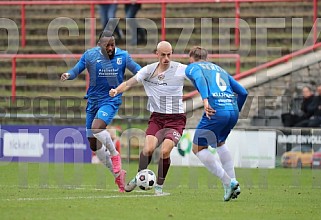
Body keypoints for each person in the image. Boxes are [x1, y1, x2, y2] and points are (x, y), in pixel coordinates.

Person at [60, 30, 141, 192]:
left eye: (112, 45)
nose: (110, 48)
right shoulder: (90, 55)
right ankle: (118, 176)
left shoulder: (123, 56)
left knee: (97, 128)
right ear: (99, 46)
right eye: (107, 46)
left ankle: (115, 154)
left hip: (110, 100)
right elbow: (77, 70)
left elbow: (139, 71)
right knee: (92, 143)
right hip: (93, 101)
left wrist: (146, 78)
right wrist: (68, 74)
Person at [109, 41, 187, 195]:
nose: (166, 58)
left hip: (176, 119)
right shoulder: (148, 71)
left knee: (165, 151)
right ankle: (139, 178)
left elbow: (199, 76)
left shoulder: (181, 69)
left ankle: (159, 186)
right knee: (148, 148)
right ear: (156, 54)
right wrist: (116, 90)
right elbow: (129, 83)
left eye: (169, 54)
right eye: (163, 55)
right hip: (157, 118)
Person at [185, 46, 248, 202]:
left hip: (215, 110)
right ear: (206, 57)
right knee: (220, 143)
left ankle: (228, 182)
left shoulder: (192, 67)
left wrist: (205, 101)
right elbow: (243, 92)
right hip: (232, 110)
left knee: (197, 148)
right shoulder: (219, 69)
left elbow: (199, 78)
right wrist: (235, 110)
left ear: (191, 57)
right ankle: (235, 185)